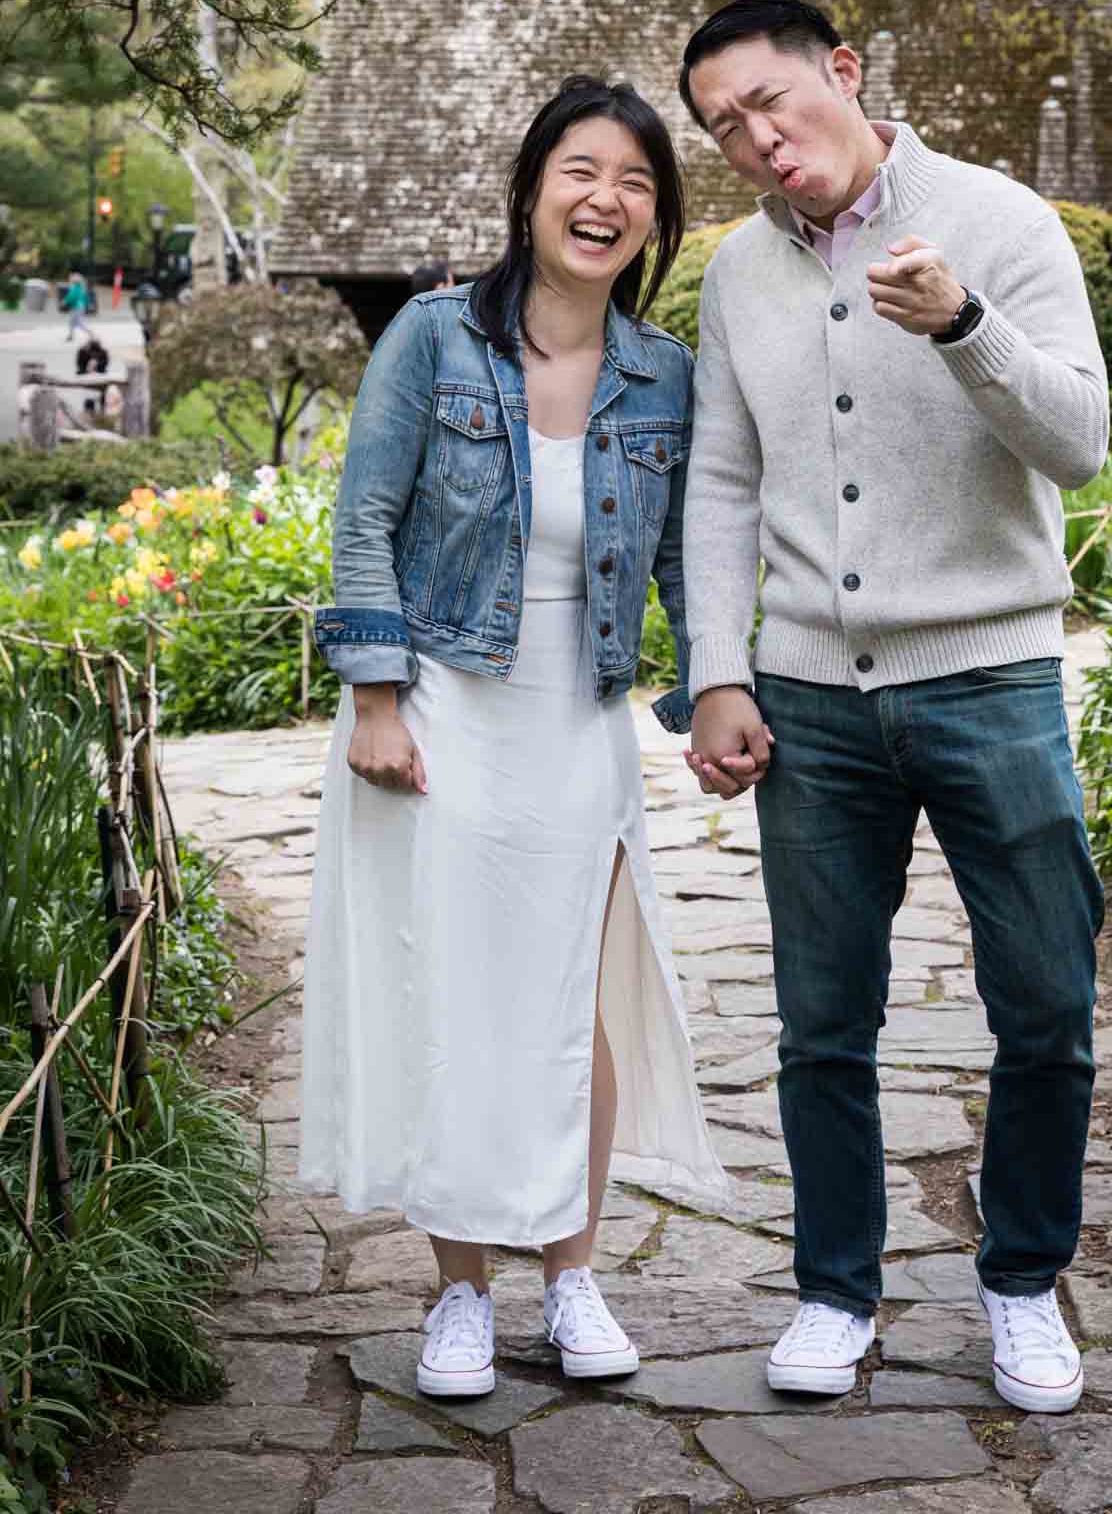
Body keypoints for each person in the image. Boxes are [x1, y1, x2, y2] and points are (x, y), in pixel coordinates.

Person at [677, 0, 1108, 1410]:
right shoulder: (736, 274)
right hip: (811, 693)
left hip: (991, 674)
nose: (755, 139)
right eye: (724, 128)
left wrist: (965, 326)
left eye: (769, 104)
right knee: (821, 1019)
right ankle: (832, 1292)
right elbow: (725, 480)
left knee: (1044, 997)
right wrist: (719, 671)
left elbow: (1082, 442)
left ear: (843, 74)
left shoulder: (1001, 223)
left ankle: (1023, 1278)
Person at [301, 76, 726, 1403]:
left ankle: (573, 1271)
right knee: (456, 997)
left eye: (637, 183)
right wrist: (374, 698)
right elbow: (365, 517)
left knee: (568, 997)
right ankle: (460, 1296)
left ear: (654, 219)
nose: (606, 200)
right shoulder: (433, 339)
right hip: (439, 706)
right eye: (582, 172)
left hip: (578, 716)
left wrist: (718, 687)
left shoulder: (667, 373)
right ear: (532, 188)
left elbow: (679, 560)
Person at [61, 271, 93, 342]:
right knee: (72, 322)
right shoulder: (81, 288)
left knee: (78, 323)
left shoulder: (75, 288)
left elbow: (71, 296)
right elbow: (86, 297)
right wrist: (89, 304)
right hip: (81, 307)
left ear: (74, 281)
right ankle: (71, 335)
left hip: (76, 307)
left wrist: (65, 301)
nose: (69, 280)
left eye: (71, 279)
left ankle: (89, 333)